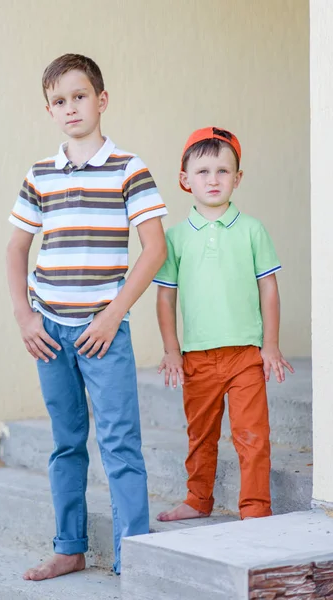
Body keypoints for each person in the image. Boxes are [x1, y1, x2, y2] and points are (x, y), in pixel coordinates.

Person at [6, 53, 167, 580]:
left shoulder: (129, 168)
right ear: (49, 110)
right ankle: (69, 546)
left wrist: (112, 314)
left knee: (120, 441)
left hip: (103, 332)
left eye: (80, 96)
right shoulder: (40, 175)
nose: (70, 107)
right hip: (49, 330)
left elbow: (153, 250)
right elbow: (16, 250)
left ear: (101, 100)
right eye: (59, 101)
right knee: (67, 441)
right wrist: (26, 317)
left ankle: (133, 556)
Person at [154, 127, 294, 523]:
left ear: (238, 177)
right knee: (201, 436)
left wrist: (270, 344)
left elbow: (269, 288)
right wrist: (171, 350)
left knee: (252, 436)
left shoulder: (252, 230)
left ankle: (255, 508)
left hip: (246, 355)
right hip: (197, 357)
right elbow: (165, 297)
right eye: (202, 172)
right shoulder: (176, 238)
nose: (213, 179)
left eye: (223, 171)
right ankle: (198, 500)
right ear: (185, 179)